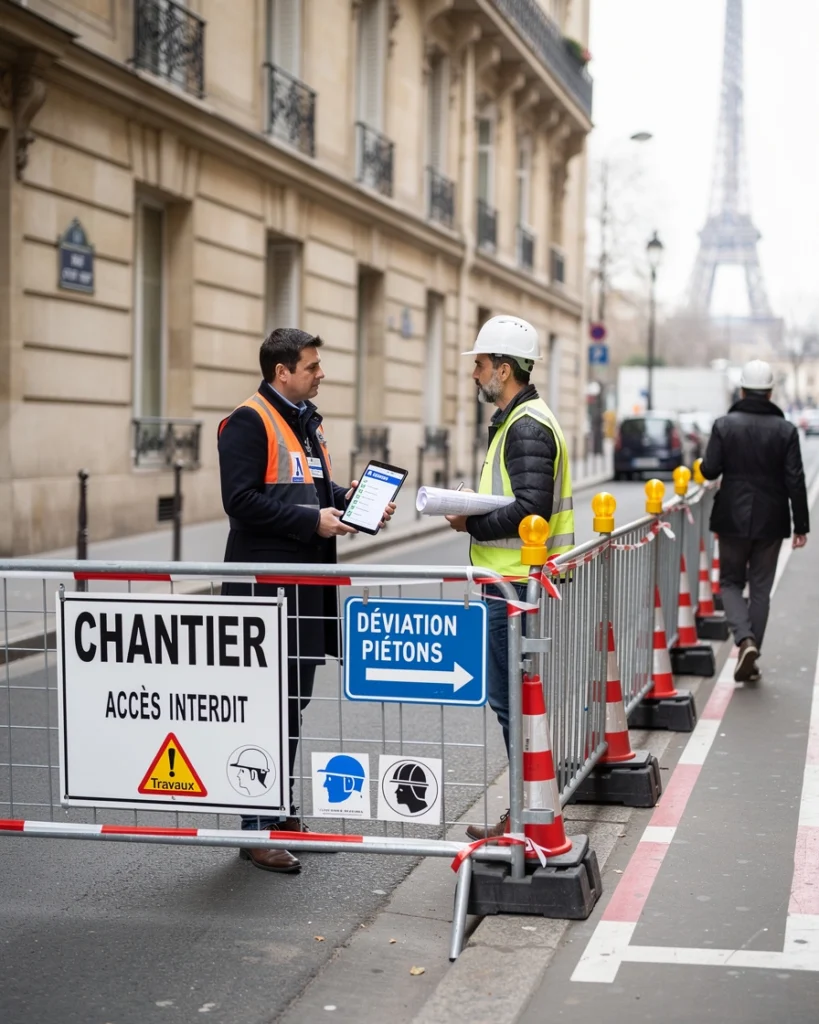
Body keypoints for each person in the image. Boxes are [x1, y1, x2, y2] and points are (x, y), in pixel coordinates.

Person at [218, 328, 395, 872]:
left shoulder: (306, 422)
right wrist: (311, 521)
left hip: (307, 589)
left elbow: (314, 490)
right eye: (313, 366)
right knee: (264, 709)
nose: (322, 374)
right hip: (267, 594)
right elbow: (240, 501)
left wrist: (352, 501)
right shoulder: (248, 421)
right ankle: (254, 827)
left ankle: (279, 810)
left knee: (293, 704)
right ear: (282, 372)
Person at [446, 315, 574, 840]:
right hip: (513, 584)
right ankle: (526, 807)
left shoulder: (525, 426)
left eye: (479, 364)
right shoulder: (519, 420)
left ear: (502, 368)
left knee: (509, 702)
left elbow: (530, 509)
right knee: (514, 701)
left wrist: (469, 518)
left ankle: (523, 814)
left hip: (514, 587)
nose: (474, 374)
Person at [701, 358, 809, 683]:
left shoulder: (723, 425)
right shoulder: (786, 430)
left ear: (743, 389)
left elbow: (710, 470)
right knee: (761, 589)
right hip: (772, 519)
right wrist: (801, 525)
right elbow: (795, 480)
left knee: (732, 582)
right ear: (770, 393)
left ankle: (744, 640)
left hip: (732, 516)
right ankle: (753, 652)